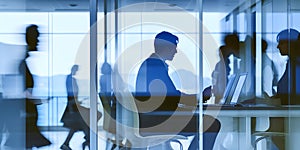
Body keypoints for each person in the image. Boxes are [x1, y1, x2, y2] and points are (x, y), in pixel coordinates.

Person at [135, 31, 221, 150]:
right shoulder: (155, 66)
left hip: (154, 118)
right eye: (174, 47)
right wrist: (199, 97)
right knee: (211, 124)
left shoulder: (152, 65)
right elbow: (171, 98)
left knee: (207, 122)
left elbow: (169, 97)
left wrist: (195, 100)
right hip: (157, 121)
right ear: (167, 47)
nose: (176, 51)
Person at [11, 24, 51, 148]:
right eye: (37, 37)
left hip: (28, 112)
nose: (39, 41)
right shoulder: (22, 64)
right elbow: (22, 92)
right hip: (26, 113)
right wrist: (38, 101)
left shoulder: (23, 63)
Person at [60, 65, 91, 150]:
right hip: (73, 105)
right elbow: (71, 94)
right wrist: (73, 104)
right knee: (83, 122)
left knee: (75, 126)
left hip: (74, 104)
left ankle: (67, 143)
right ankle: (88, 139)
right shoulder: (71, 79)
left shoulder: (70, 79)